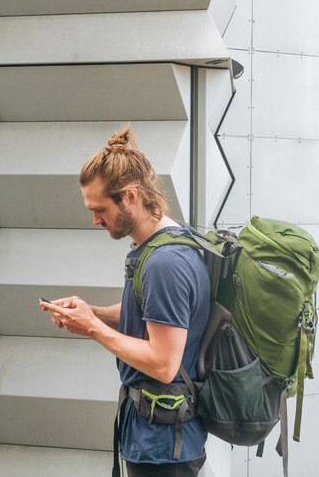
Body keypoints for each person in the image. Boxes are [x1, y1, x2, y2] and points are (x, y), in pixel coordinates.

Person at [40, 126, 210, 476]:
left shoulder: (166, 263)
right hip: (155, 437)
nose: (95, 220)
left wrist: (93, 330)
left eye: (100, 208)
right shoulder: (163, 243)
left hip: (164, 448)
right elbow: (156, 317)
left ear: (130, 196)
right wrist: (93, 314)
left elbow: (163, 363)